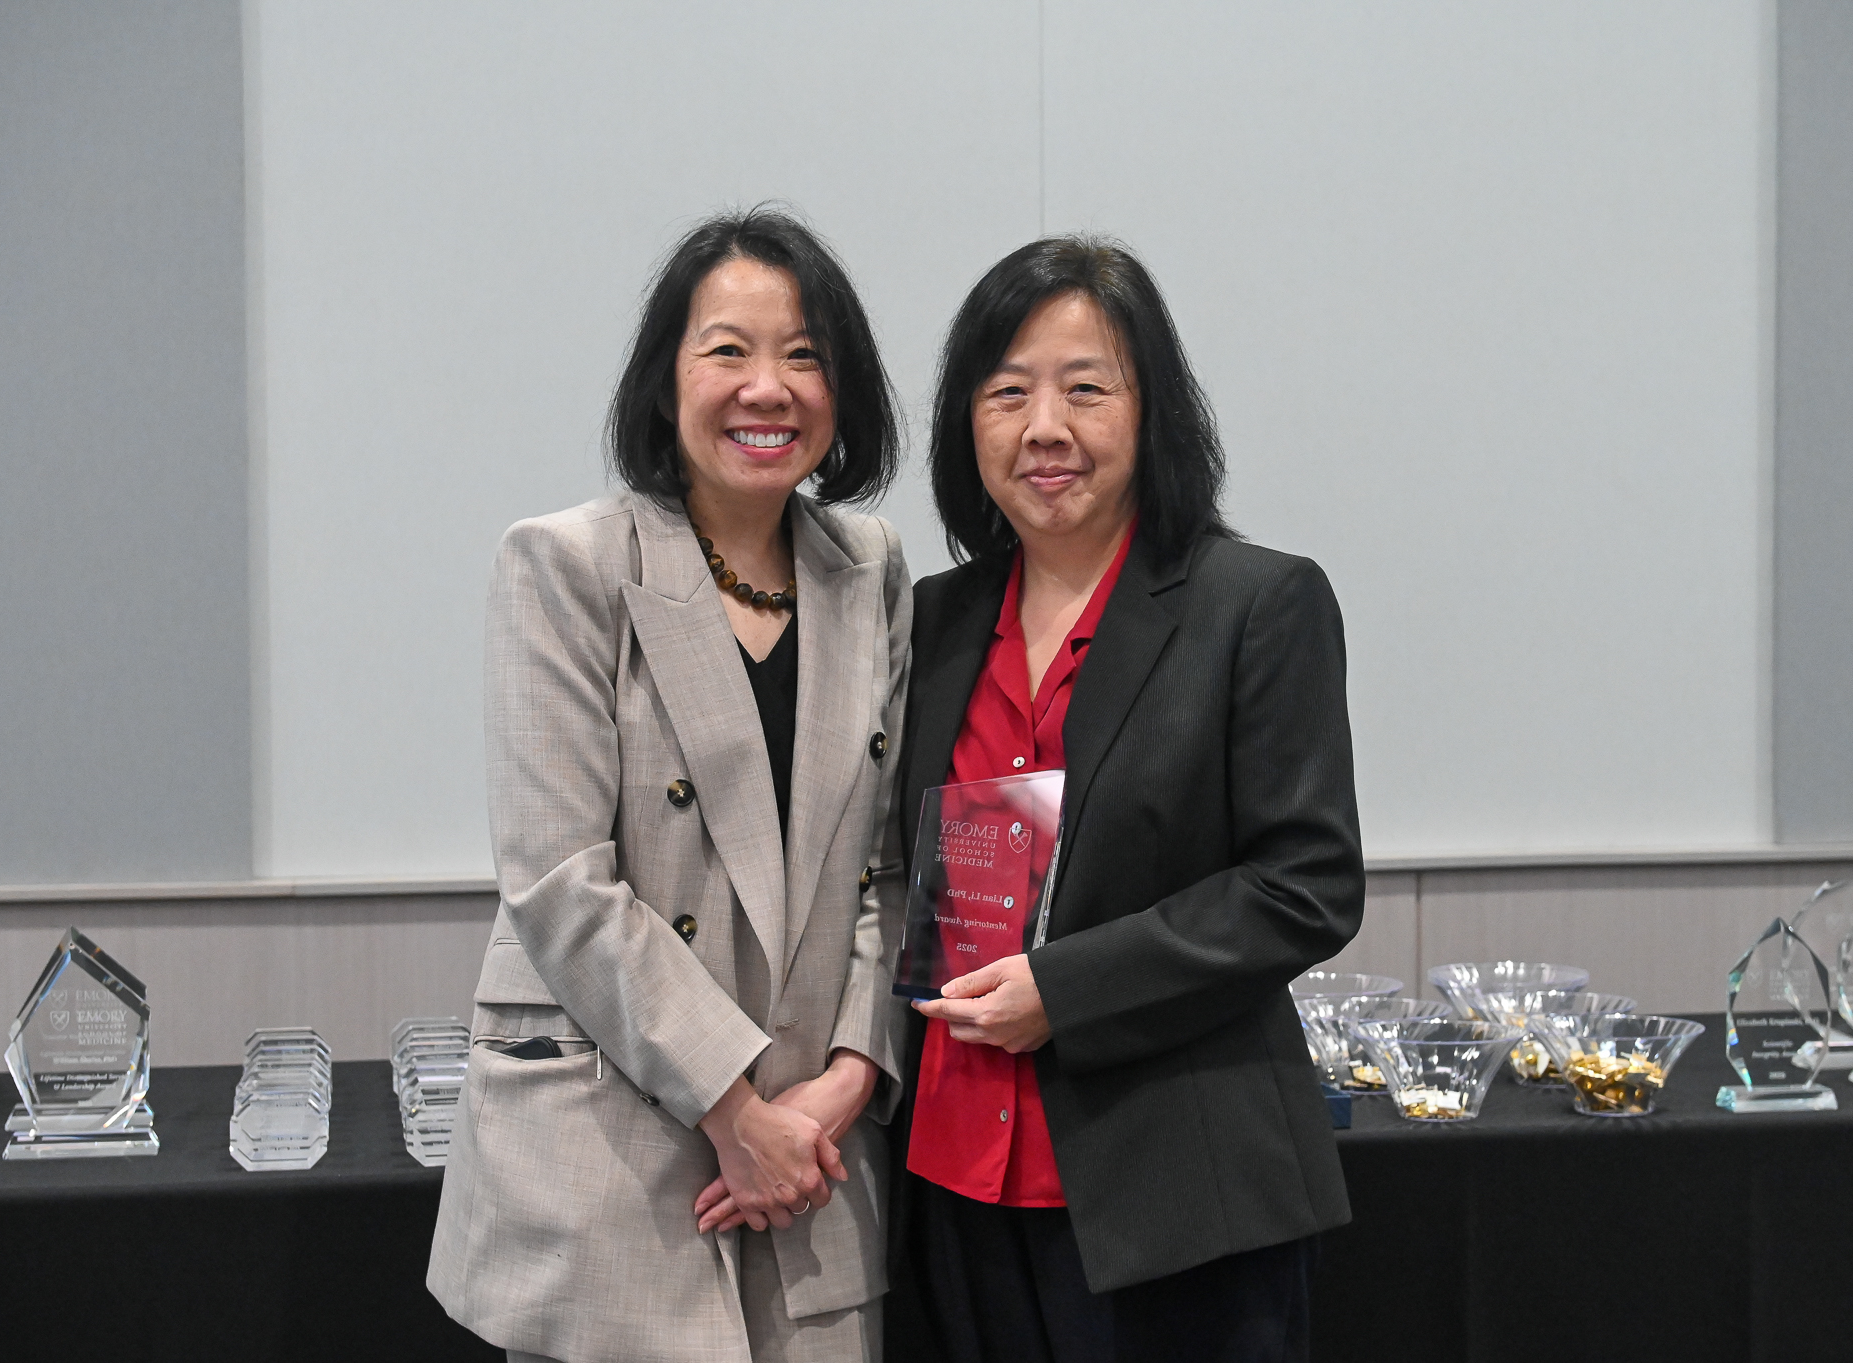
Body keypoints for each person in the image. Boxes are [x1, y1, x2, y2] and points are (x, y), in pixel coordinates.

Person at [428, 207, 911, 1363]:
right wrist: (732, 1113)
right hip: (618, 1146)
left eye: (804, 355)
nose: (768, 388)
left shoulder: (870, 569)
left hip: (811, 1162)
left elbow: (890, 866)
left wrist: (838, 1088)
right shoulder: (566, 563)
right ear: (665, 379)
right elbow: (559, 884)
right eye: (727, 351)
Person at [887, 236, 1365, 1363]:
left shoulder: (1253, 602)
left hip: (1170, 1193)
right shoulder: (932, 620)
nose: (1042, 427)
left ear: (1153, 414)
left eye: (1084, 388)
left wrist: (1066, 989)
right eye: (1005, 392)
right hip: (953, 1175)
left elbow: (1305, 885)